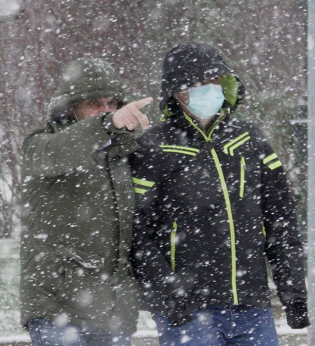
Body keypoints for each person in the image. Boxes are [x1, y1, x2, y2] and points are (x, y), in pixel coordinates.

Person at [130, 41, 310, 346]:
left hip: (253, 306)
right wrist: (168, 290)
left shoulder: (249, 139)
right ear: (175, 91)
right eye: (195, 83)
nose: (207, 89)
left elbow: (280, 220)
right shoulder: (153, 148)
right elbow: (137, 233)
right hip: (189, 312)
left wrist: (292, 290)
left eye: (213, 80)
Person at [20, 57, 152, 346]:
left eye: (111, 103)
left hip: (114, 312)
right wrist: (107, 124)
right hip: (59, 308)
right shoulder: (40, 145)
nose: (105, 110)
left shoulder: (126, 154)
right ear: (70, 107)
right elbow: (59, 152)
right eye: (94, 103)